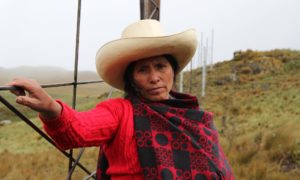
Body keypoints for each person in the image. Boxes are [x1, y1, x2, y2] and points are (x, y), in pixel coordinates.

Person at [8, 20, 234, 179]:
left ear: (173, 70)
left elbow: (217, 168)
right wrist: (51, 109)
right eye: (143, 70)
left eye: (160, 66)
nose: (154, 77)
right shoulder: (120, 111)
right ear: (132, 79)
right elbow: (78, 129)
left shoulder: (193, 115)